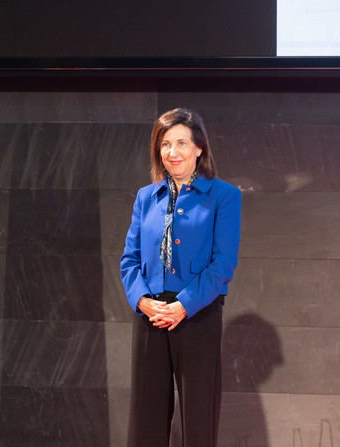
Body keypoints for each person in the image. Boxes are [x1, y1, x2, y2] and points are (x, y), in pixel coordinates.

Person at [120, 108, 241, 446]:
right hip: (150, 317)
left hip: (197, 315)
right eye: (165, 144)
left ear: (199, 147)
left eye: (182, 143)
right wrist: (142, 300)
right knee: (146, 421)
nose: (172, 152)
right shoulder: (146, 197)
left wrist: (183, 306)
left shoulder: (225, 196)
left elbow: (222, 265)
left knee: (199, 420)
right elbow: (129, 259)